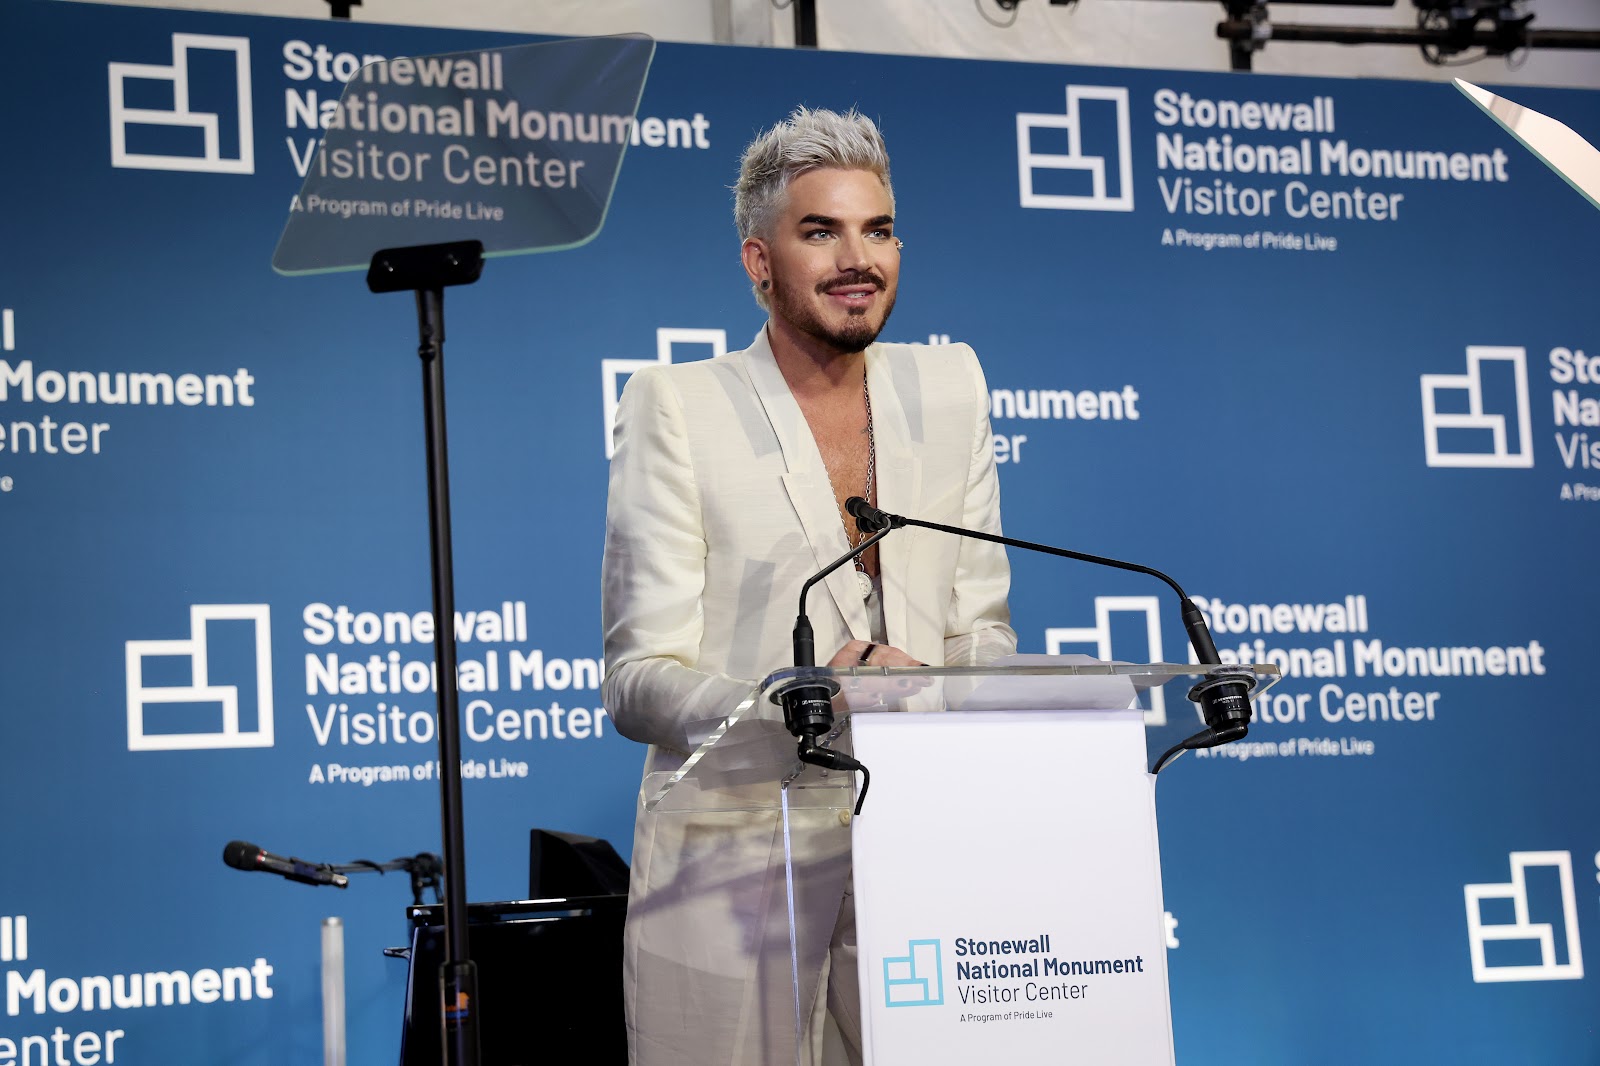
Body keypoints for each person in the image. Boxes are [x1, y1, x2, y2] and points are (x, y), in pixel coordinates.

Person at [601, 106, 1016, 1066]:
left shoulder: (951, 386)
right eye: (819, 232)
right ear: (759, 261)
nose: (856, 258)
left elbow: (981, 630)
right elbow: (637, 680)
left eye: (876, 229)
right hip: (732, 864)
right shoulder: (678, 406)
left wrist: (938, 687)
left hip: (917, 851)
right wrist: (792, 702)